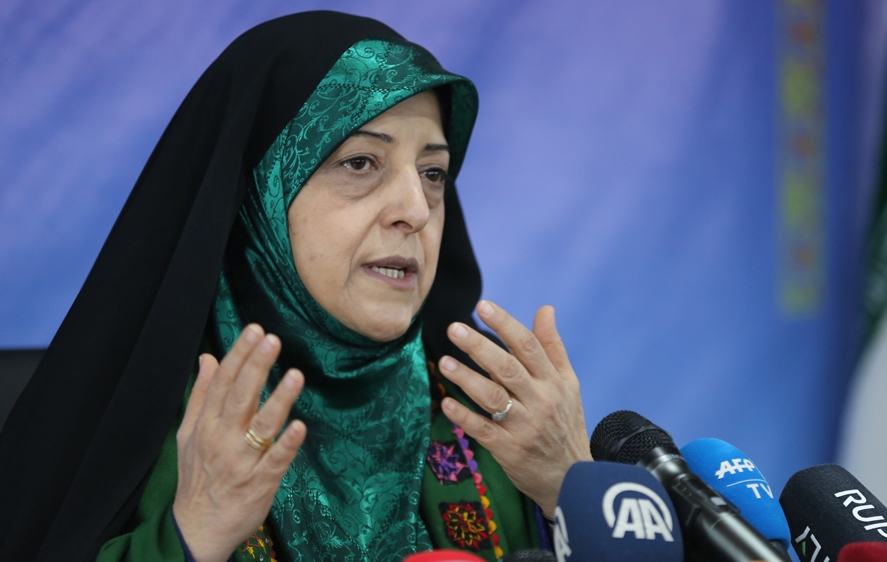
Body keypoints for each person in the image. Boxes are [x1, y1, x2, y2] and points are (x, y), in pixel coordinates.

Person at [0, 10, 592, 562]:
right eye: (360, 163)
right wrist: (193, 533)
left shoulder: (488, 419)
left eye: (432, 172)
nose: (416, 210)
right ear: (259, 193)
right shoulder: (150, 417)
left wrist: (571, 493)